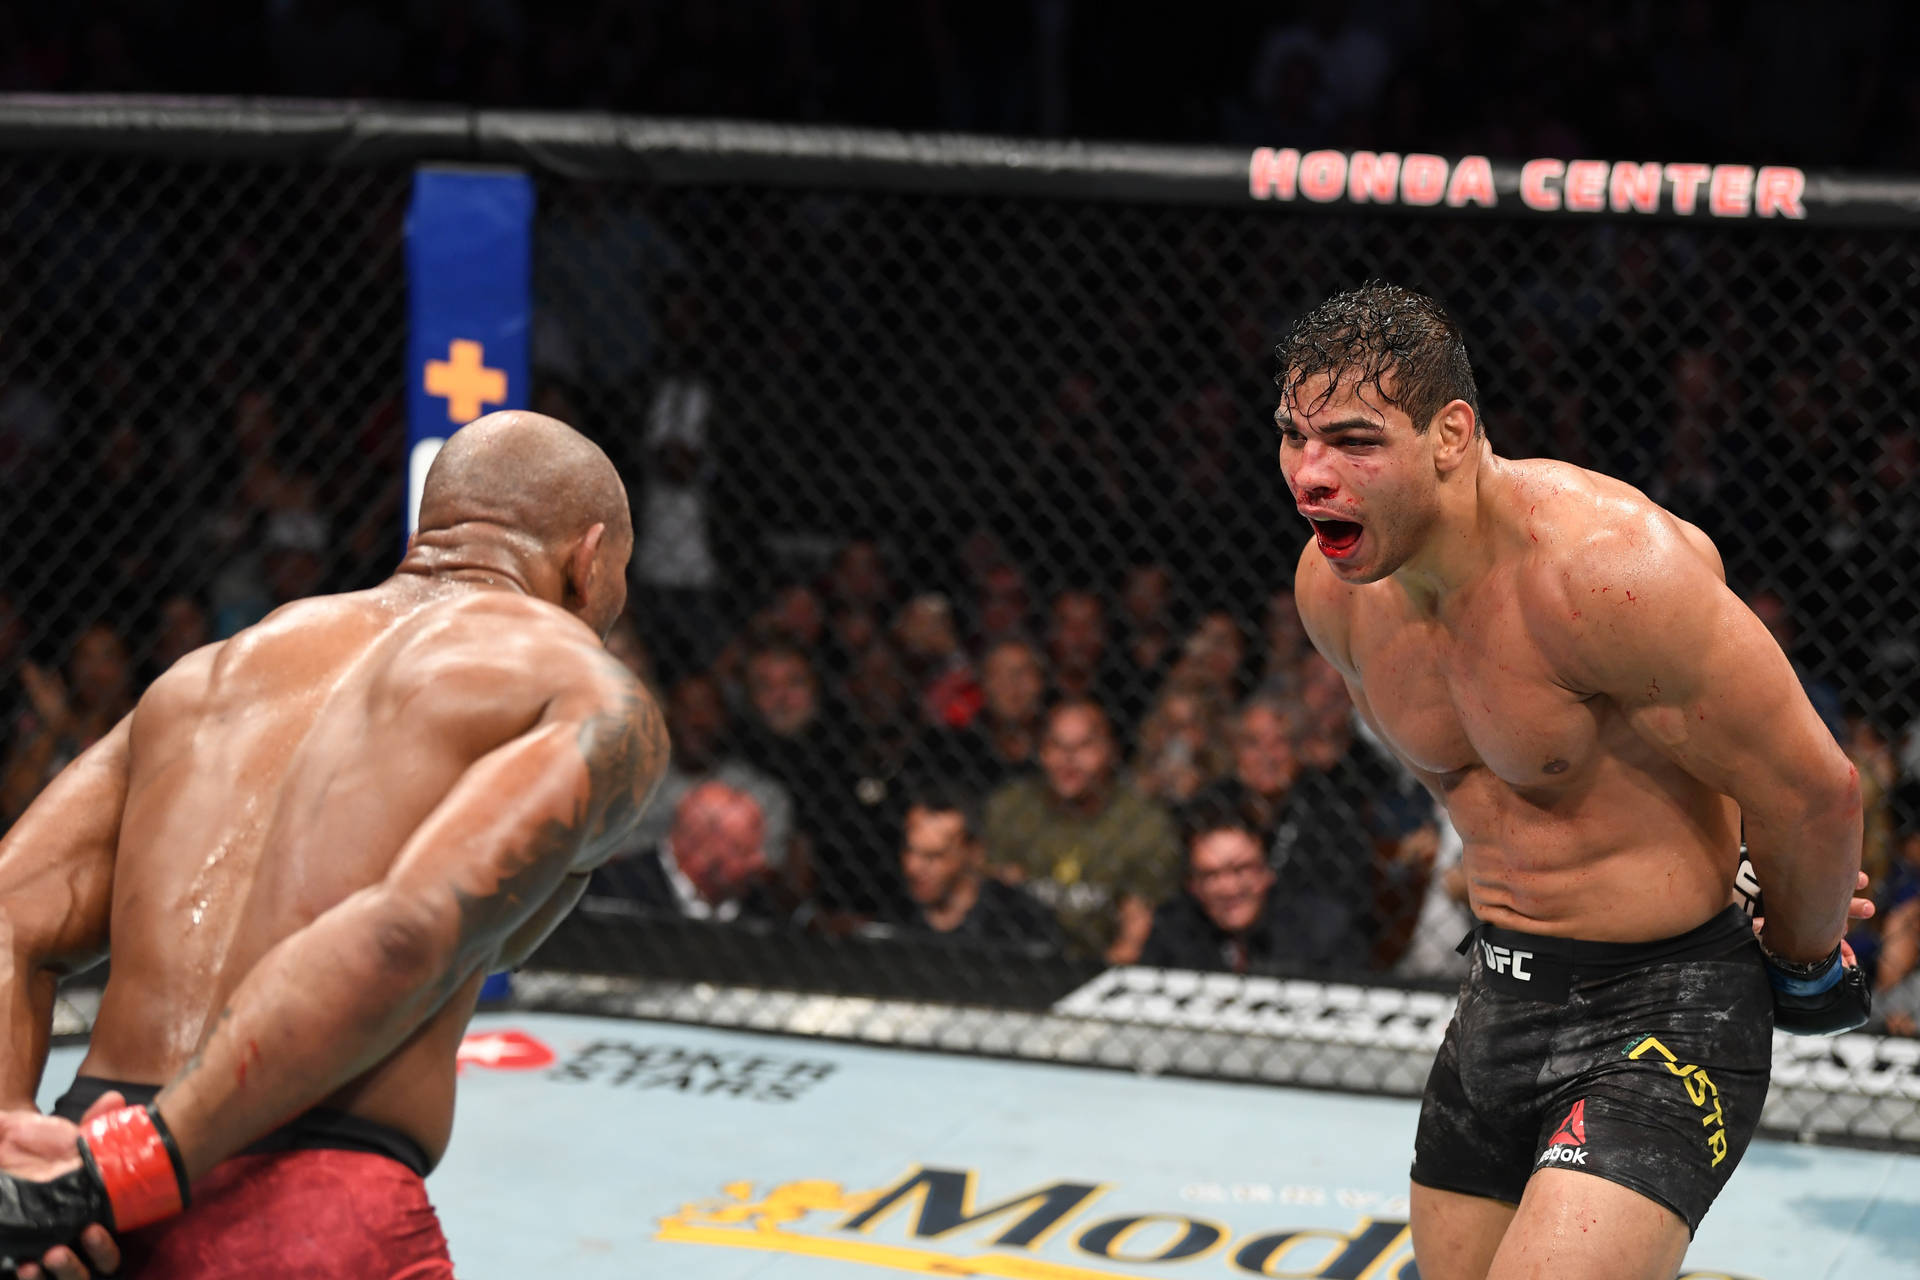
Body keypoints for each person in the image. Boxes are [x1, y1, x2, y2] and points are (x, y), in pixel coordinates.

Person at [1275, 283, 1868, 1279]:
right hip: (1499, 993)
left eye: (1354, 439)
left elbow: (1815, 789)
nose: (1310, 473)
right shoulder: (1334, 593)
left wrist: (1803, 954)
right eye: (1293, 435)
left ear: (1452, 433)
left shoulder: (1607, 571)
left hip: (1666, 1007)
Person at [0, 410, 667, 1277]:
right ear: (589, 557)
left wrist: (21, 1163)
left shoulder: (211, 673)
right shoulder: (587, 693)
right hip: (302, 1199)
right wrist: (139, 1166)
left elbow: (13, 910)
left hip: (85, 1202)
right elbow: (403, 931)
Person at [983, 699, 1179, 965]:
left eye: (1084, 746)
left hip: (1104, 968)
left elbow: (1134, 935)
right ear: (1041, 751)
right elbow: (996, 901)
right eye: (1057, 746)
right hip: (1019, 962)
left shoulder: (1144, 823)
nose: (1069, 759)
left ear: (1111, 751)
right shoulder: (1010, 808)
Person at [1140, 793, 1347, 974]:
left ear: (1267, 871)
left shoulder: (1319, 928)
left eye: (1241, 869)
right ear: (1192, 885)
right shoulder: (1171, 930)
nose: (1229, 889)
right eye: (1210, 875)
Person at [896, 779, 1062, 948]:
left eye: (935, 856)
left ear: (974, 852)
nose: (913, 866)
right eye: (909, 850)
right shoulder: (895, 911)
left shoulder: (1020, 922)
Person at [590, 781, 779, 923]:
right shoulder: (615, 893)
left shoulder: (760, 907)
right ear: (702, 854)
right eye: (744, 851)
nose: (760, 861)